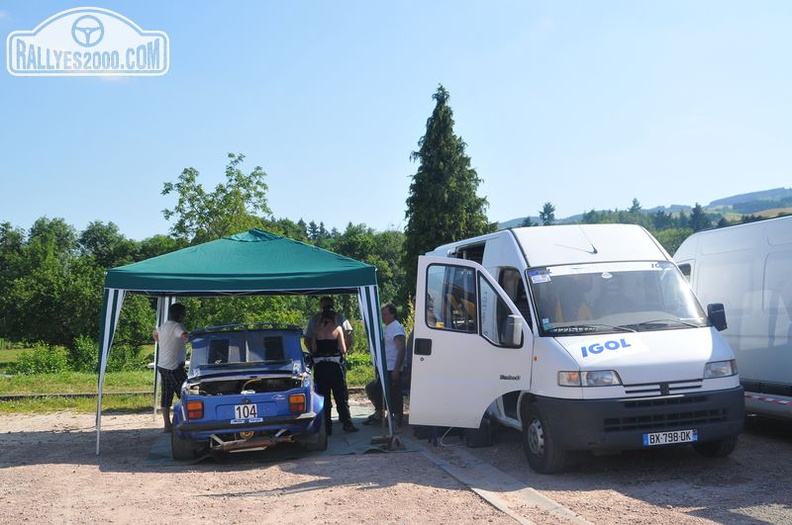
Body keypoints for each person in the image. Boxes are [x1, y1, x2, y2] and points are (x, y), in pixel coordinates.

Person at [311, 306, 358, 434]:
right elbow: (343, 349)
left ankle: (327, 426)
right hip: (334, 365)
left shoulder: (316, 330)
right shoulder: (337, 329)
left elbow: (314, 349)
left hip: (320, 366)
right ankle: (347, 423)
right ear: (333, 317)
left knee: (324, 397)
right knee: (340, 396)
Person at [363, 303, 407, 427]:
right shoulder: (387, 327)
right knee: (378, 390)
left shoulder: (396, 328)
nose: (383, 317)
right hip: (386, 366)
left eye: (385, 314)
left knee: (394, 392)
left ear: (393, 314)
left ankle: (397, 416)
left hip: (393, 366)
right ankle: (380, 414)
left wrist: (397, 369)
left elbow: (401, 349)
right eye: (381, 314)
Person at [152, 302, 189, 432]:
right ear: (180, 315)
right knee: (186, 393)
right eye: (184, 313)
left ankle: (167, 425)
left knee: (166, 395)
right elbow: (184, 335)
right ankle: (186, 420)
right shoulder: (177, 326)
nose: (185, 316)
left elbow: (154, 333)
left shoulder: (163, 326)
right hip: (174, 366)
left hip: (162, 365)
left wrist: (160, 341)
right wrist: (191, 338)